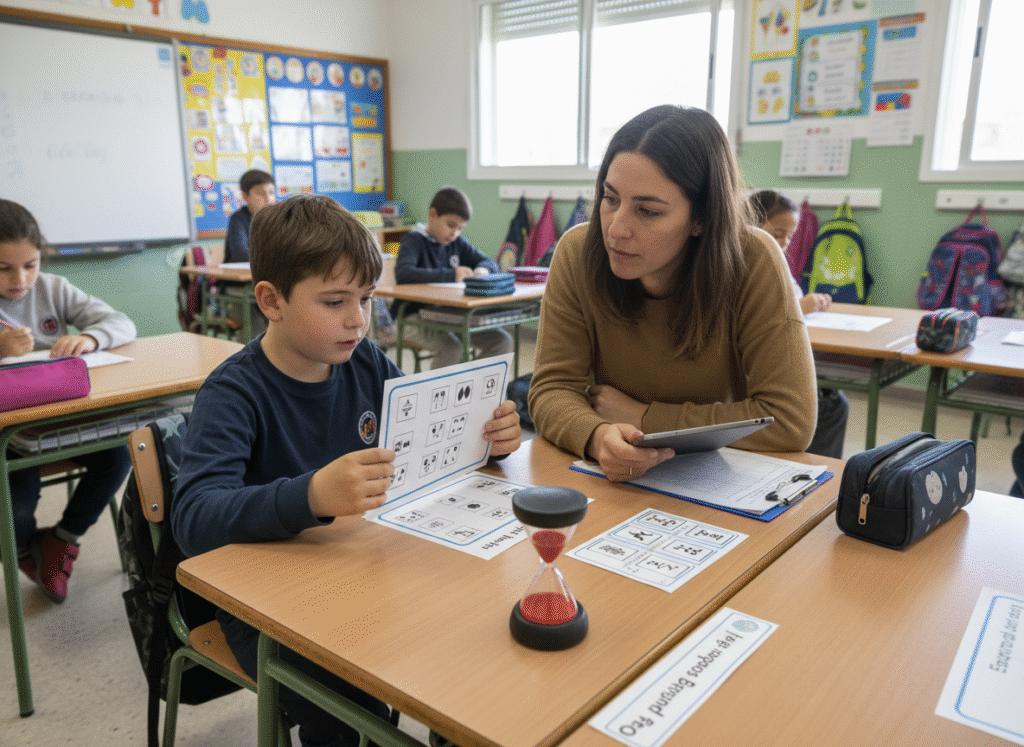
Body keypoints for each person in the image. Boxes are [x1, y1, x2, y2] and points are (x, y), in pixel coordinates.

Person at [171, 194, 522, 747]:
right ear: (271, 300)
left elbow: (423, 433)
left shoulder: (362, 360)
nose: (358, 319)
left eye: (365, 297)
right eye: (335, 301)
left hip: (358, 571)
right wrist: (310, 495)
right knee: (348, 699)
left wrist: (490, 438)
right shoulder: (234, 392)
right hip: (266, 609)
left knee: (464, 646)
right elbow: (193, 519)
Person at [528, 105, 817, 482]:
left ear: (701, 218)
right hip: (620, 482)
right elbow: (552, 389)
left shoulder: (754, 258)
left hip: (718, 480)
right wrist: (598, 436)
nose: (616, 229)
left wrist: (644, 417)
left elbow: (790, 420)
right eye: (610, 198)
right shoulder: (578, 252)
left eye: (647, 211)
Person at [0, 199, 135, 603]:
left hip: (58, 420)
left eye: (31, 264)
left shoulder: (53, 287)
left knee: (118, 453)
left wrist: (91, 338)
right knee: (15, 509)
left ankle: (62, 540)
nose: (20, 279)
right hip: (9, 435)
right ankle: (25, 548)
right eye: (3, 268)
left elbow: (121, 322)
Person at [749, 189, 849, 459]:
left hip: (774, 361)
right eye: (777, 233)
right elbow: (761, 313)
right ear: (750, 224)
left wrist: (810, 301)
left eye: (789, 236)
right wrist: (798, 308)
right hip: (752, 373)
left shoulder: (774, 259)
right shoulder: (744, 260)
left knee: (833, 400)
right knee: (830, 405)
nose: (783, 242)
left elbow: (792, 295)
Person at [392, 186, 513, 368]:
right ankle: (437, 396)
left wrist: (483, 270)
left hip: (448, 316)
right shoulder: (414, 240)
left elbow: (489, 261)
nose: (455, 233)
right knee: (452, 348)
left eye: (460, 228)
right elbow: (404, 273)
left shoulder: (456, 242)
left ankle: (469, 389)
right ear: (433, 215)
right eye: (450, 225)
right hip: (411, 317)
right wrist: (451, 274)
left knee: (502, 341)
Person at [224, 168, 276, 263]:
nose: (268, 199)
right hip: (237, 274)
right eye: (261, 194)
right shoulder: (238, 219)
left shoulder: (277, 219)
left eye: (271, 192)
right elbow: (241, 254)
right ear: (244, 196)